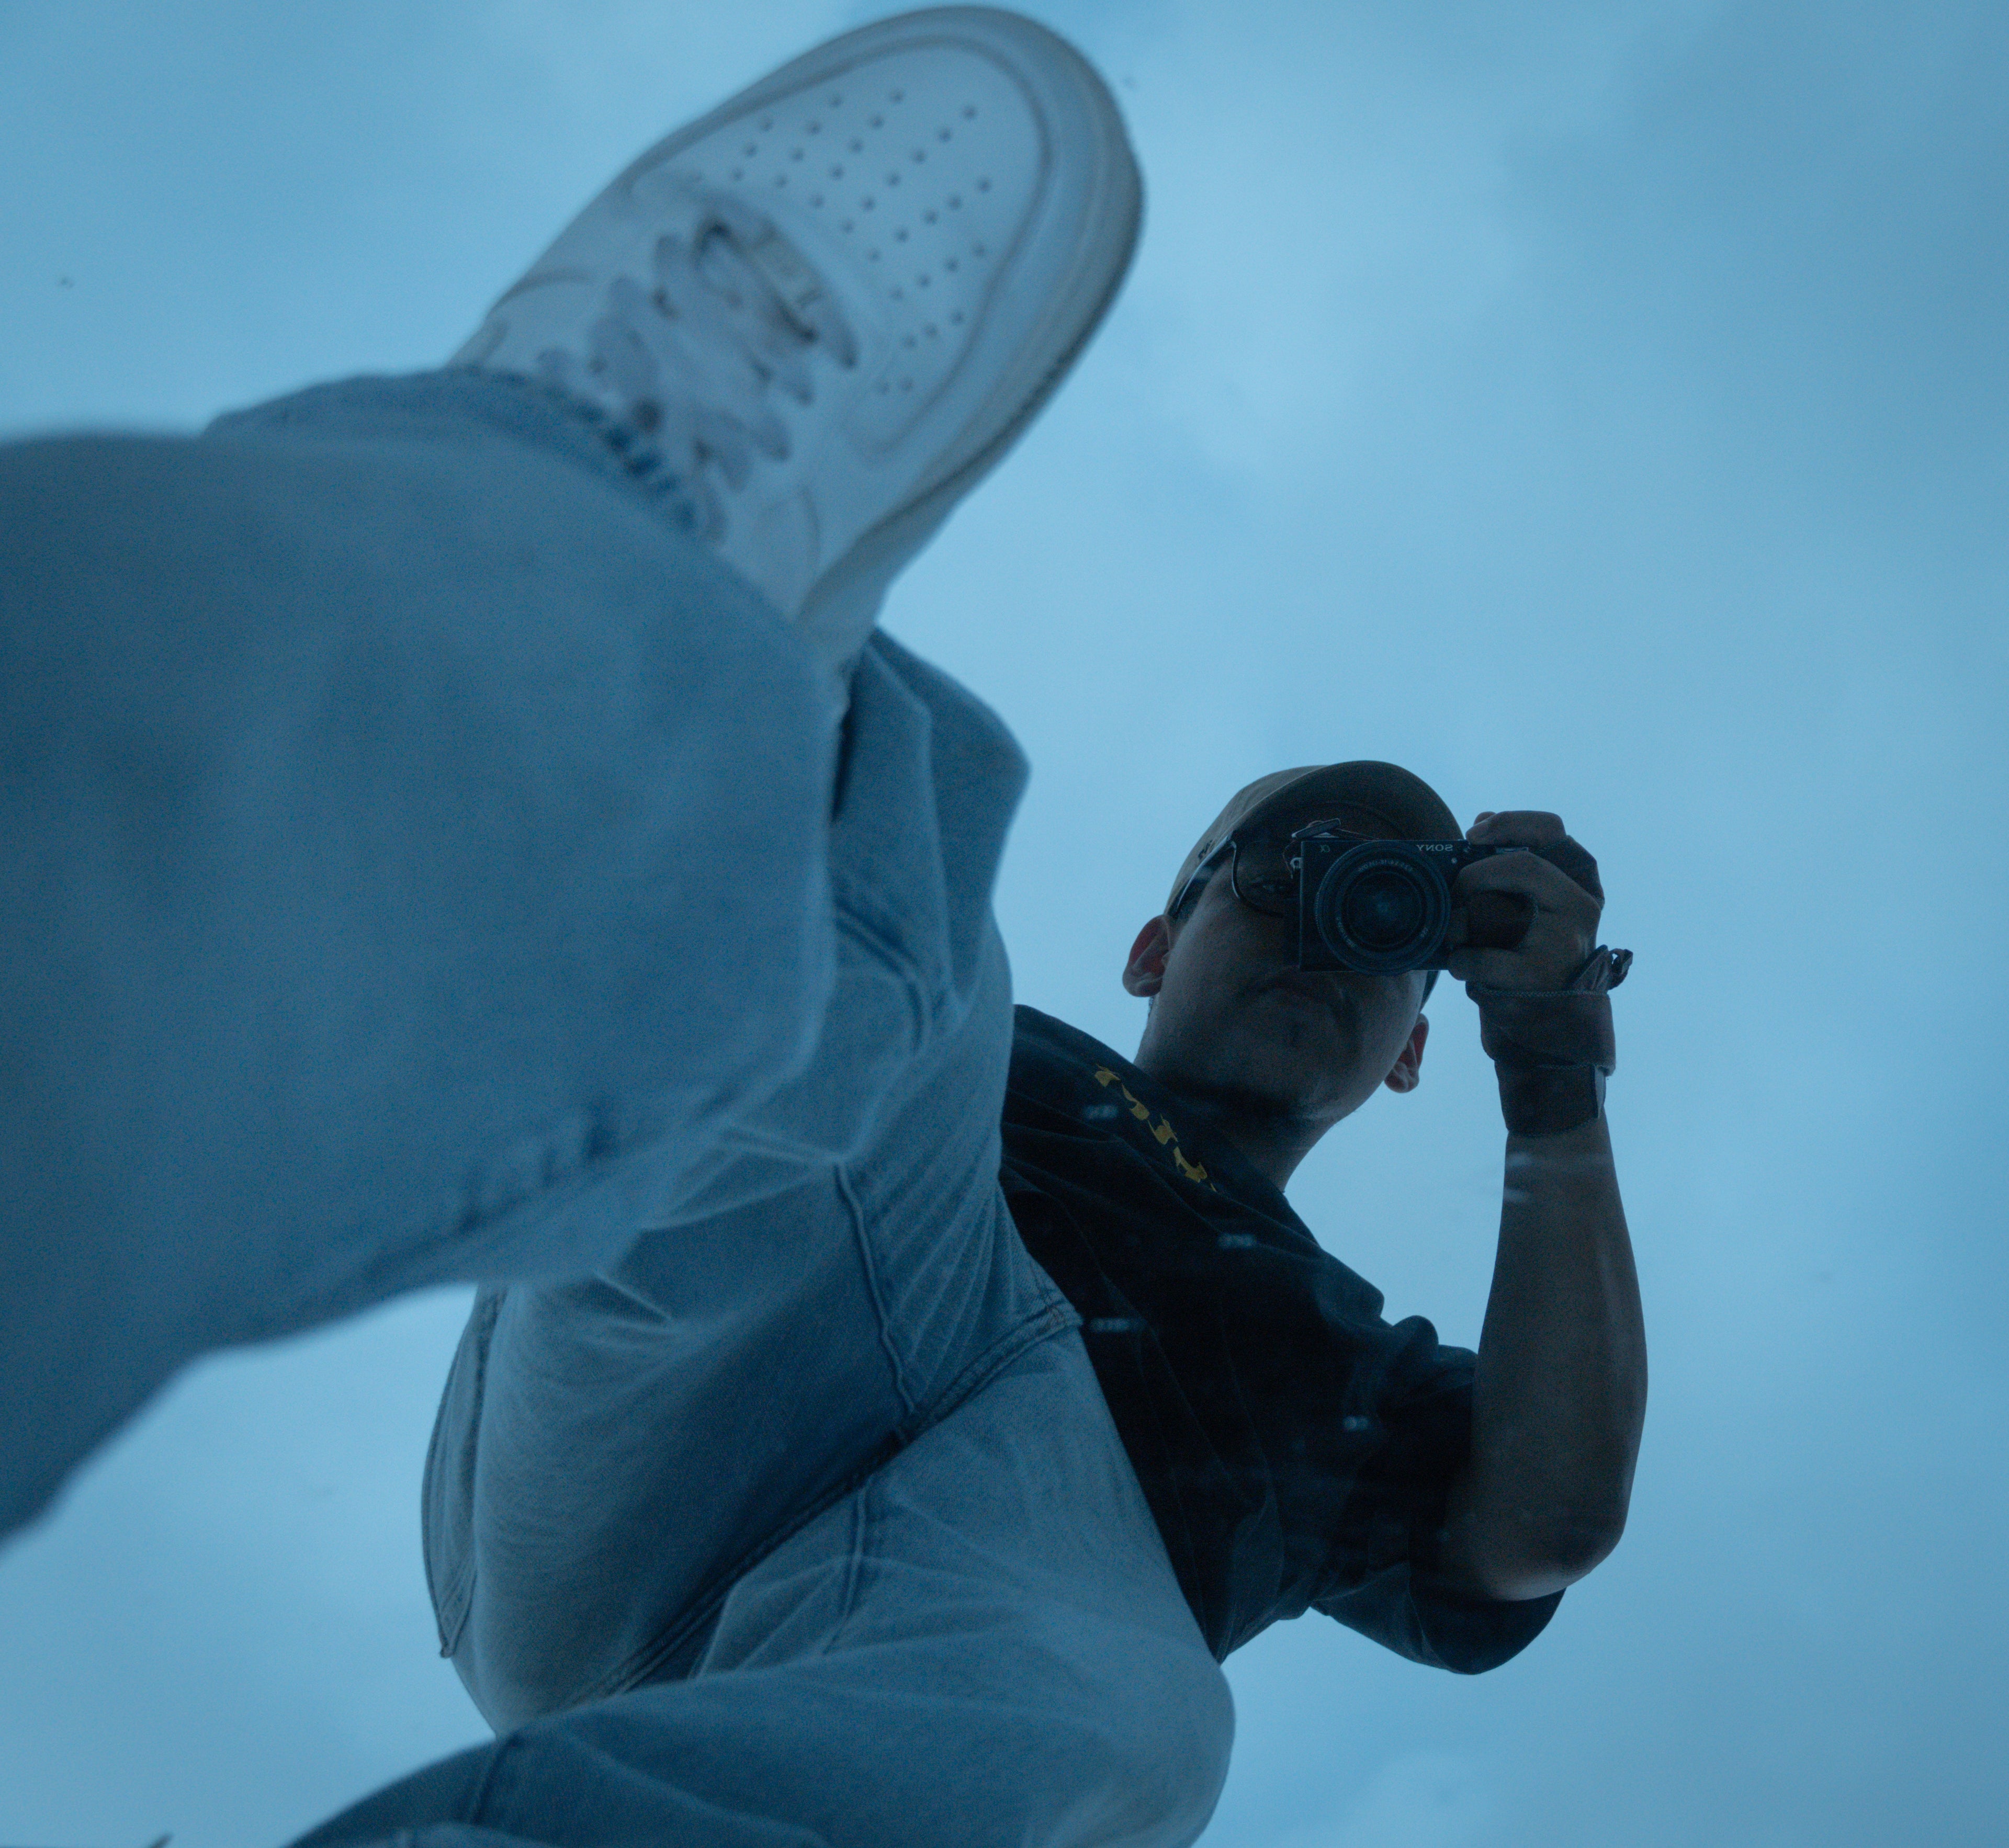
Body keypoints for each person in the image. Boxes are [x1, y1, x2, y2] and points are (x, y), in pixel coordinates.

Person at [0, 10, 1643, 1848]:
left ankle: (637, 613)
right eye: (1289, 869)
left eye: (1400, 921)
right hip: (700, 1381)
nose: (1333, 933)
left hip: (993, 1616)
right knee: (902, 840)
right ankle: (613, 558)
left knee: (1138, 1718)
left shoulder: (1346, 1369)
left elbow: (1540, 1528)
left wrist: (1555, 1085)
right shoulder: (1006, 1061)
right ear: (1149, 948)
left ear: (1419, 1044)